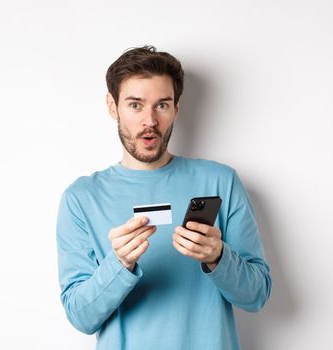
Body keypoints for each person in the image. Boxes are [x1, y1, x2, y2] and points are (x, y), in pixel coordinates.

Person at [55, 46, 271, 349]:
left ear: (177, 108)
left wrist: (217, 257)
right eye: (135, 105)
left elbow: (257, 296)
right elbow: (80, 317)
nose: (150, 121)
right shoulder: (81, 198)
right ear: (112, 106)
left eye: (162, 105)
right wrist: (120, 262)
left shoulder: (220, 182)